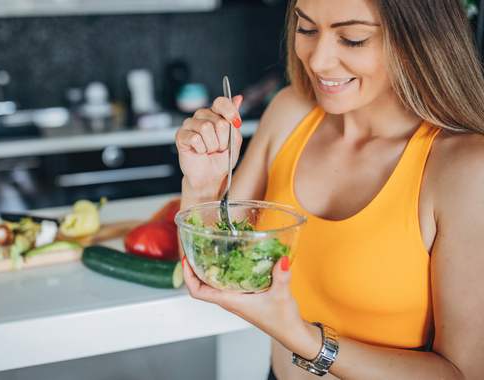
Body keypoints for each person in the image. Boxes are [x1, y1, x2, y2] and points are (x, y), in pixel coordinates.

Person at [174, 0, 484, 378]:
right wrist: (204, 183)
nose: (318, 61)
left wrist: (304, 339)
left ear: (421, 38)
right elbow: (215, 270)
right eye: (306, 29)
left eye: (352, 39)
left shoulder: (464, 168)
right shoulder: (290, 113)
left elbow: (463, 373)